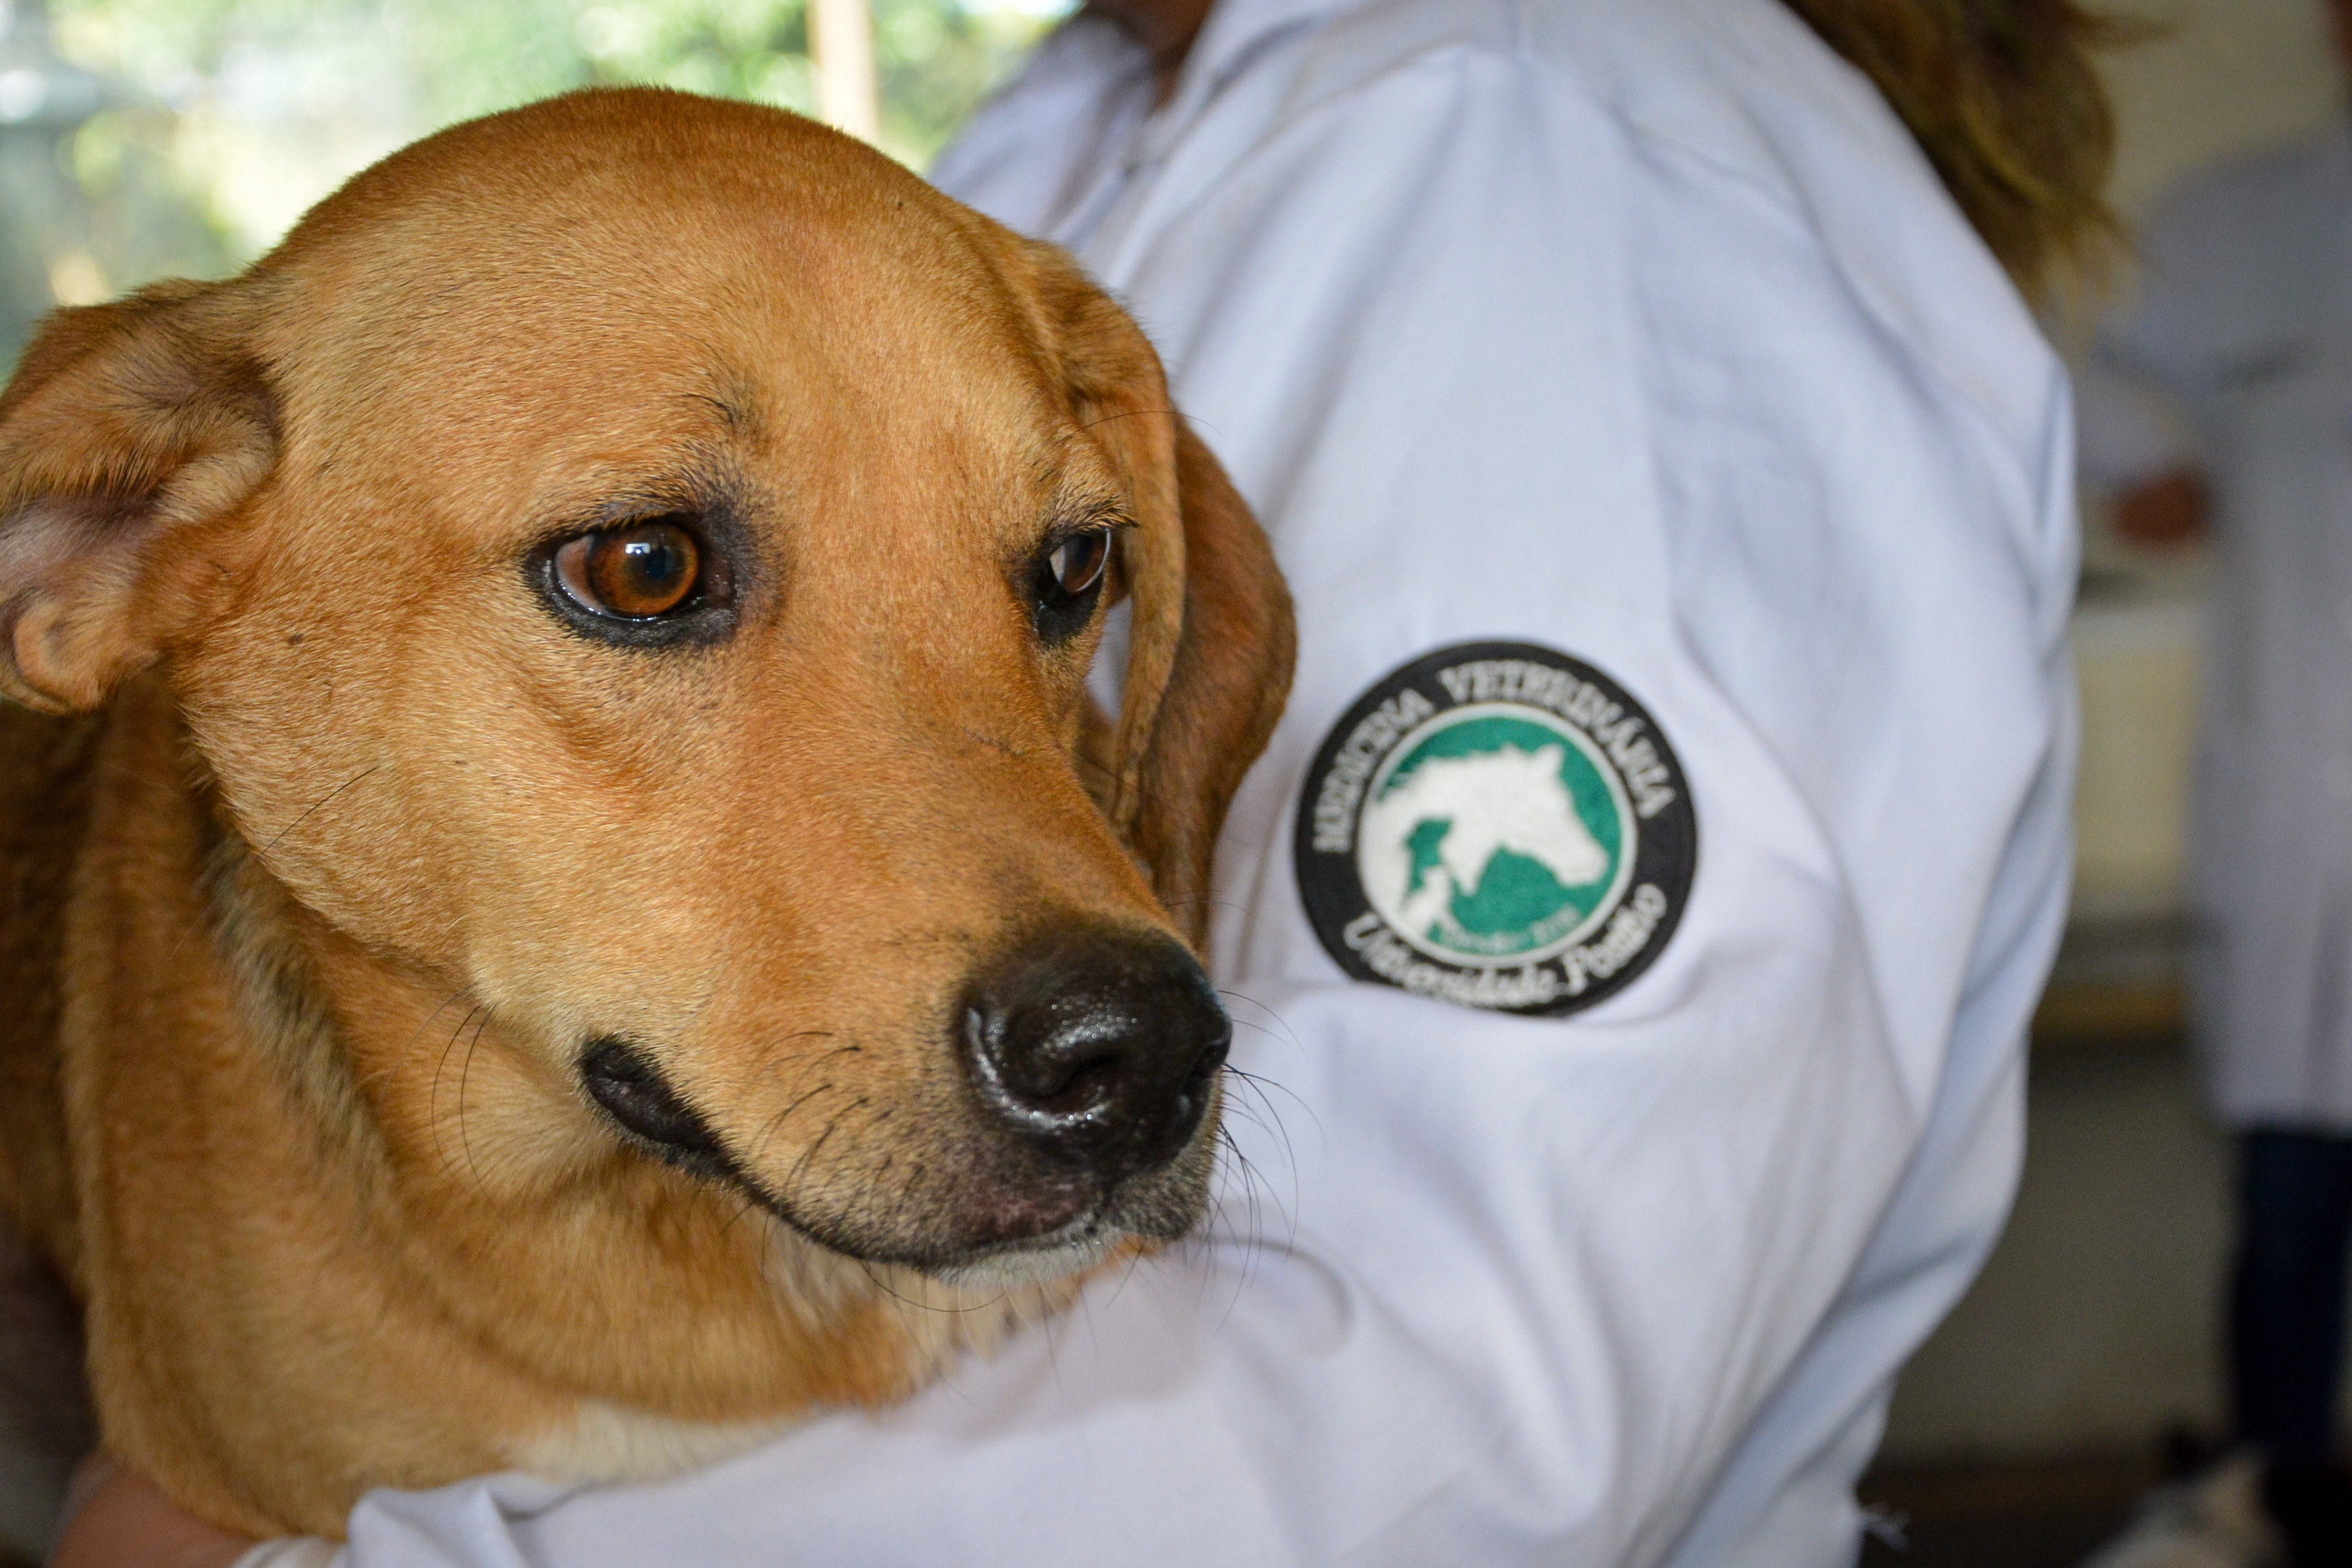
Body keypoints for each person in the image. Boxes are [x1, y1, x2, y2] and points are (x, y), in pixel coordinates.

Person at [52, 0, 2109, 1563]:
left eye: (1059, 573)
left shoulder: (1558, 163)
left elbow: (1447, 1439)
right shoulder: (1087, 115)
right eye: (650, 572)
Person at [2076, 5, 2352, 1563]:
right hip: (2305, 804)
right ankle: (2275, 1496)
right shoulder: (2231, 228)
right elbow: (2072, 371)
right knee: (2298, 1197)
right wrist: (2142, 462)